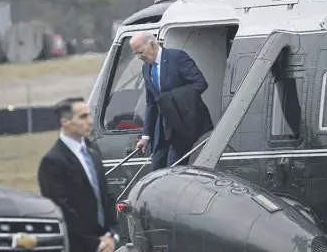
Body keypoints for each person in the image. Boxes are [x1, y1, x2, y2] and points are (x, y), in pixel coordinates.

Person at [37, 97, 119, 252]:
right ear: (65, 121)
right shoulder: (53, 161)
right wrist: (95, 244)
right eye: (83, 117)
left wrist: (112, 235)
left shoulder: (93, 155)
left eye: (89, 115)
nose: (90, 121)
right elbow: (62, 209)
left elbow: (106, 196)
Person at [130, 31, 213, 171]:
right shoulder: (146, 68)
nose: (139, 57)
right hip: (162, 129)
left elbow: (200, 83)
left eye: (140, 52)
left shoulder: (177, 57)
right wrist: (145, 136)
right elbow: (151, 103)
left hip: (182, 122)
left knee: (173, 169)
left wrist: (171, 99)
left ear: (151, 45)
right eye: (136, 54)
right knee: (156, 168)